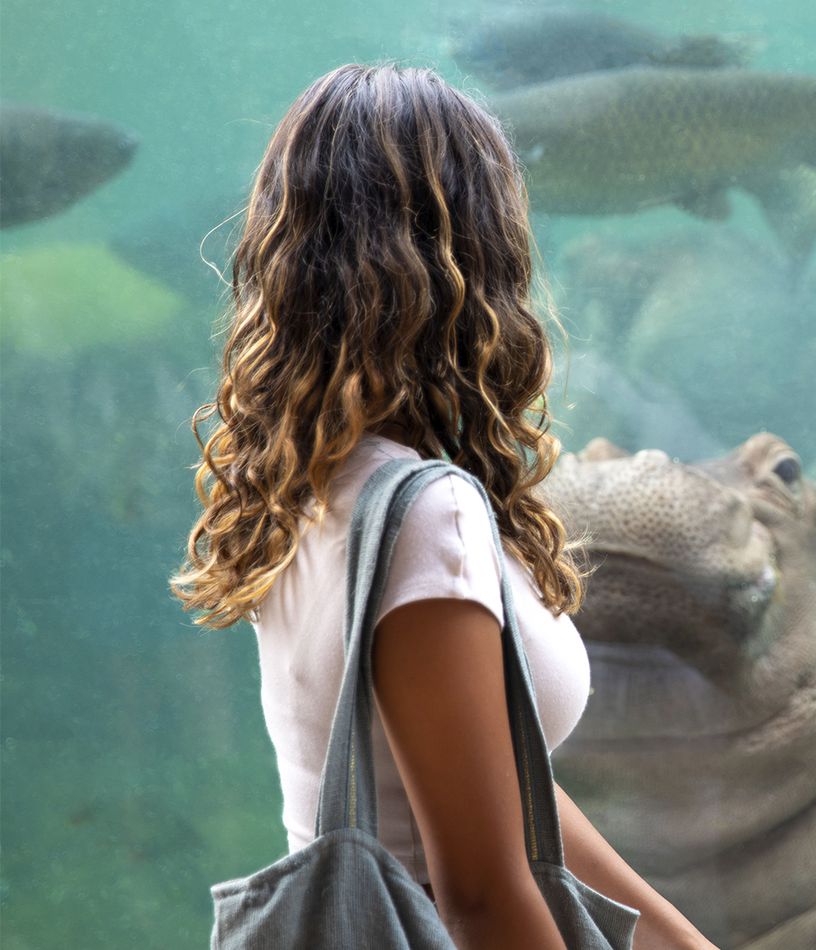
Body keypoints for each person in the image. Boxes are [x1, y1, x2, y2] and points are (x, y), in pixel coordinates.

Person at [171, 64, 714, 950]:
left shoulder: (310, 481)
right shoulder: (425, 514)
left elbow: (498, 798)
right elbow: (479, 894)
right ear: (471, 253)